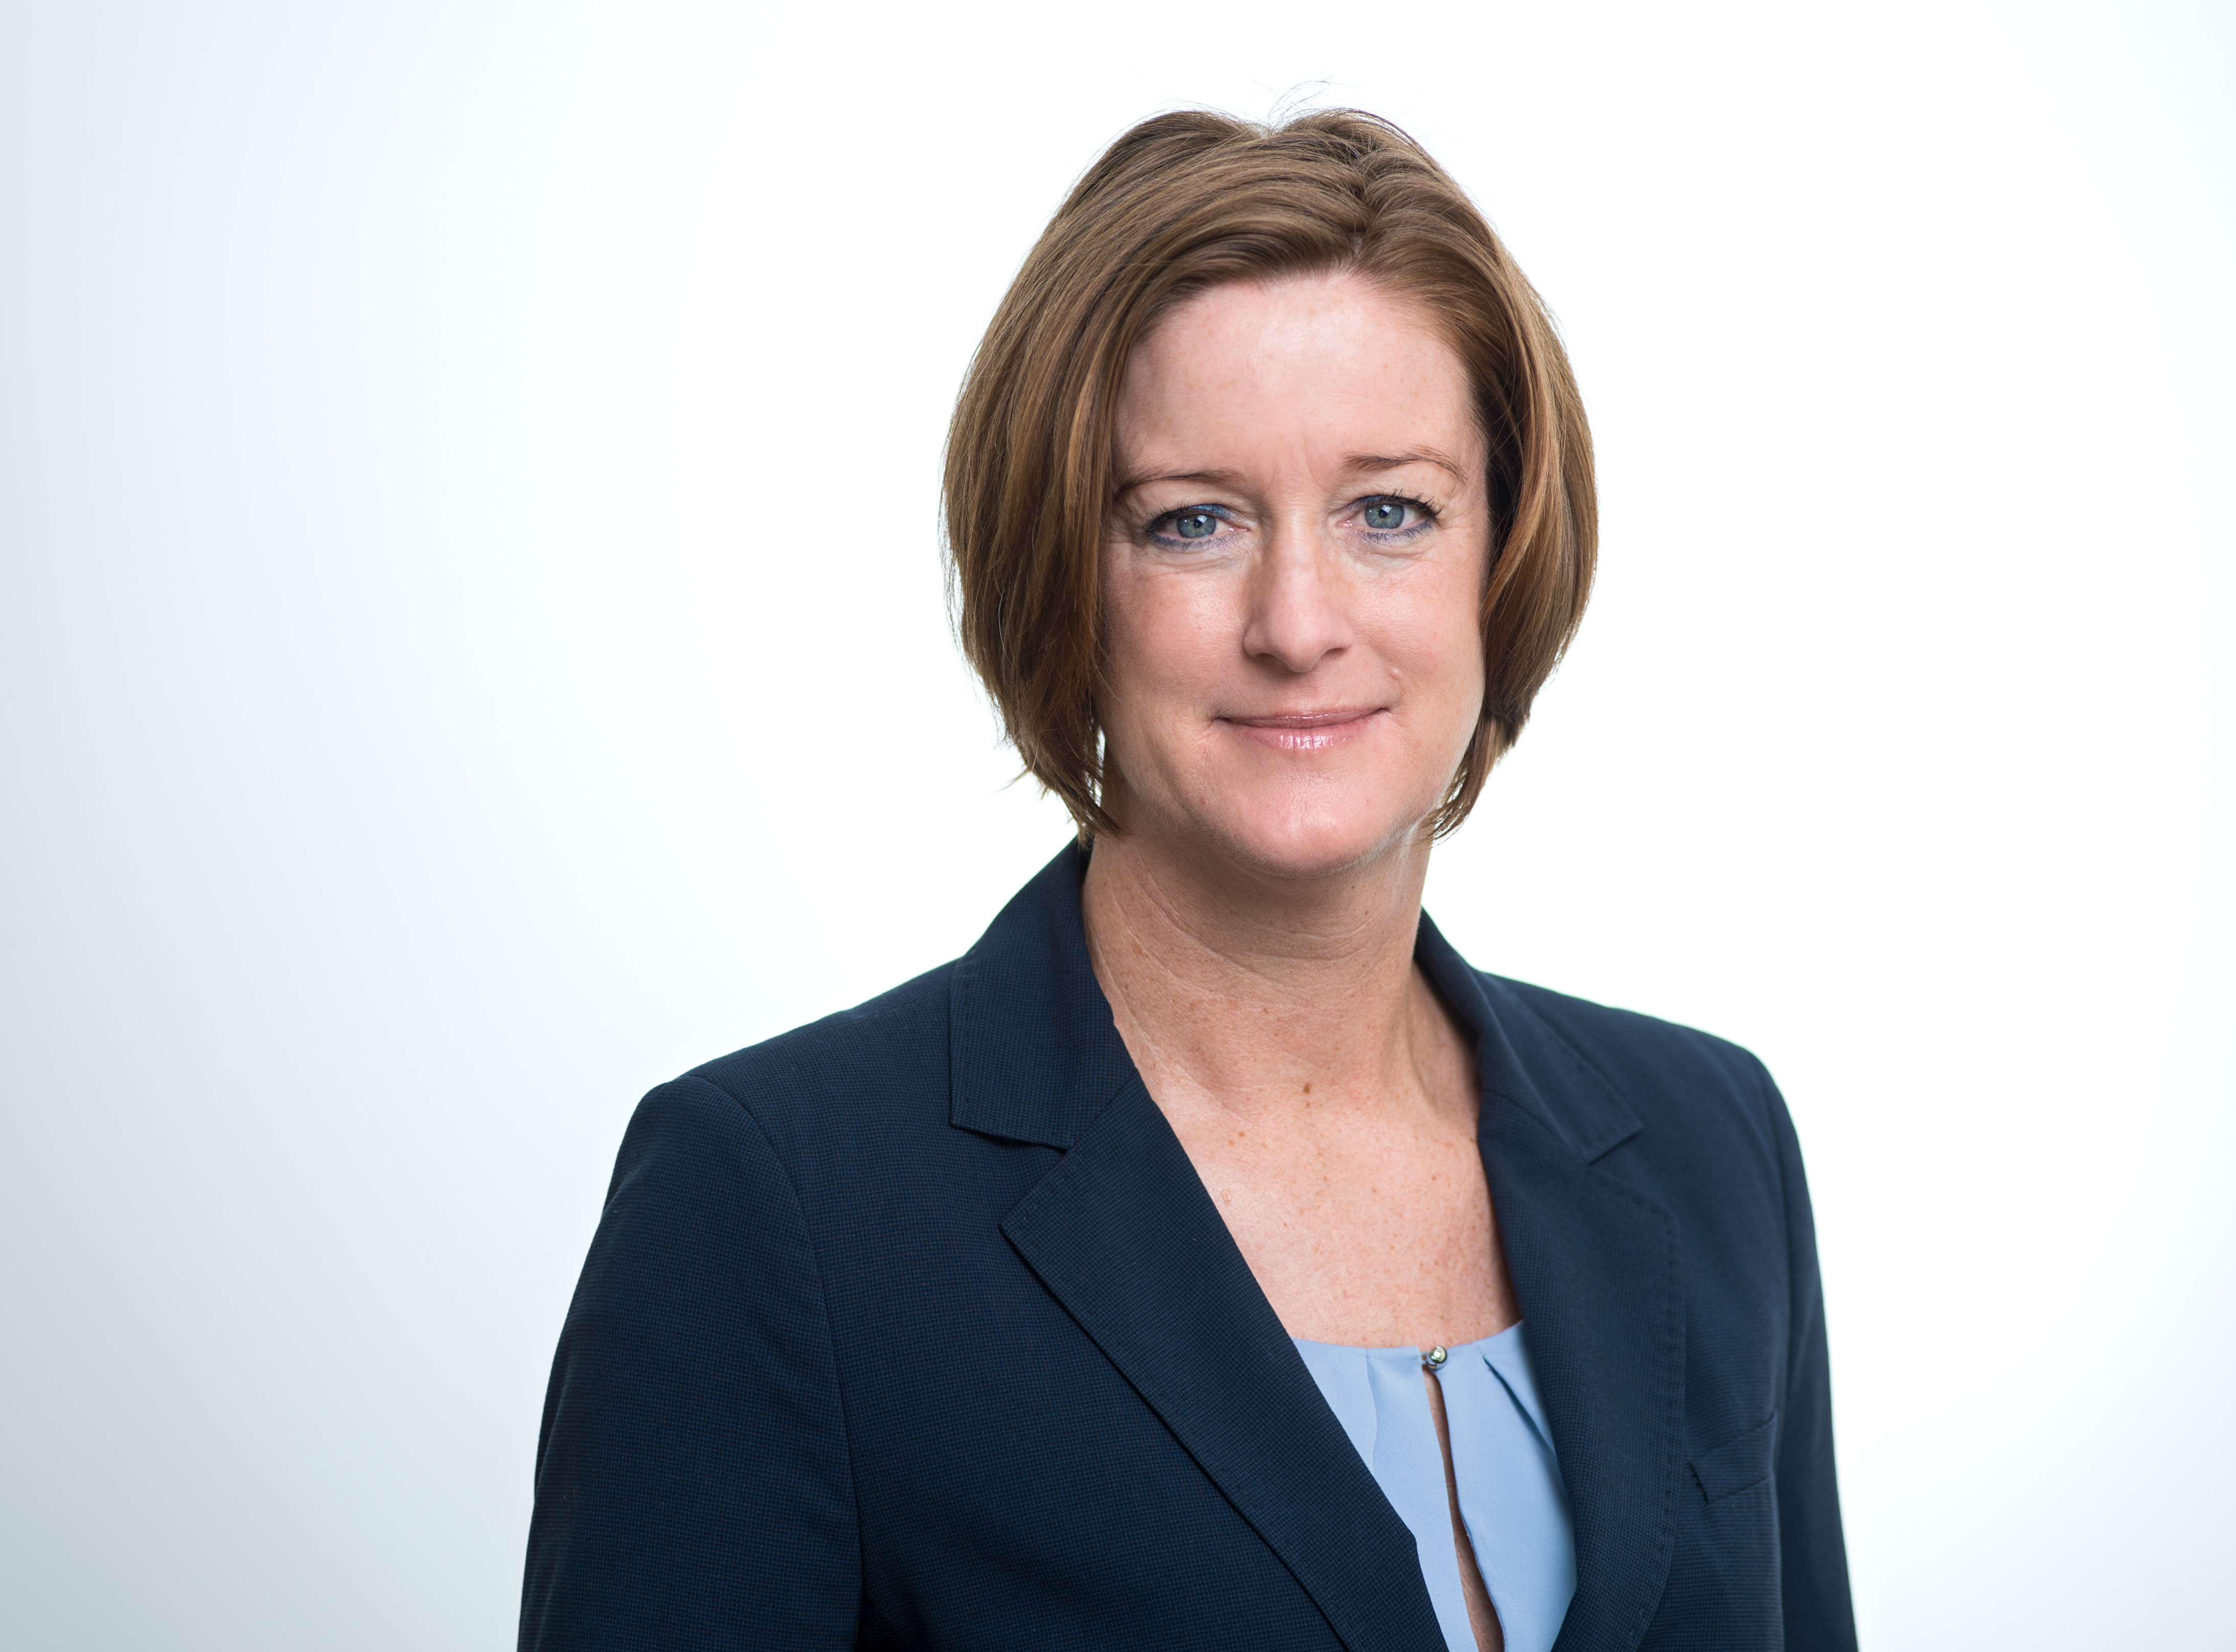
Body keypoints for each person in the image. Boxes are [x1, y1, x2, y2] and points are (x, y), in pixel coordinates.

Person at [519, 108, 1855, 1652]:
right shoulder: (777, 1208)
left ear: (1502, 555)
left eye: (1390, 511)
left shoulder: (1709, 1147)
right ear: (1061, 576)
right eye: (1193, 521)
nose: (1298, 621)